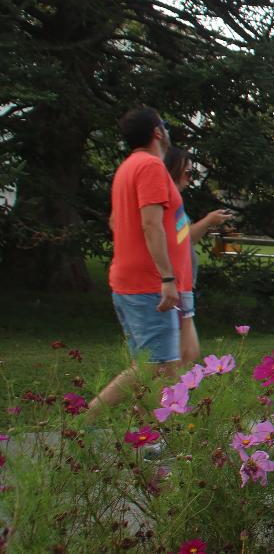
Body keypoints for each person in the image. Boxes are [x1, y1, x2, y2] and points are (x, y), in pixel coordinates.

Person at [88, 108, 191, 416]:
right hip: (148, 284)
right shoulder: (150, 166)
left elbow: (114, 221)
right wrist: (167, 278)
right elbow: (151, 224)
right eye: (166, 126)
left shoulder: (127, 168)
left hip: (128, 281)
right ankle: (85, 420)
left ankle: (146, 435)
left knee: (160, 367)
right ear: (158, 132)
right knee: (157, 366)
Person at [163, 146, 233, 367]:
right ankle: (155, 399)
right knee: (168, 359)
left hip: (183, 286)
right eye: (188, 173)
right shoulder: (165, 200)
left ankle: (159, 398)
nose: (190, 179)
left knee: (188, 353)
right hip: (174, 286)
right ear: (174, 170)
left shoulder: (175, 202)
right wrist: (208, 221)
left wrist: (208, 222)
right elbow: (177, 240)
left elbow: (186, 239)